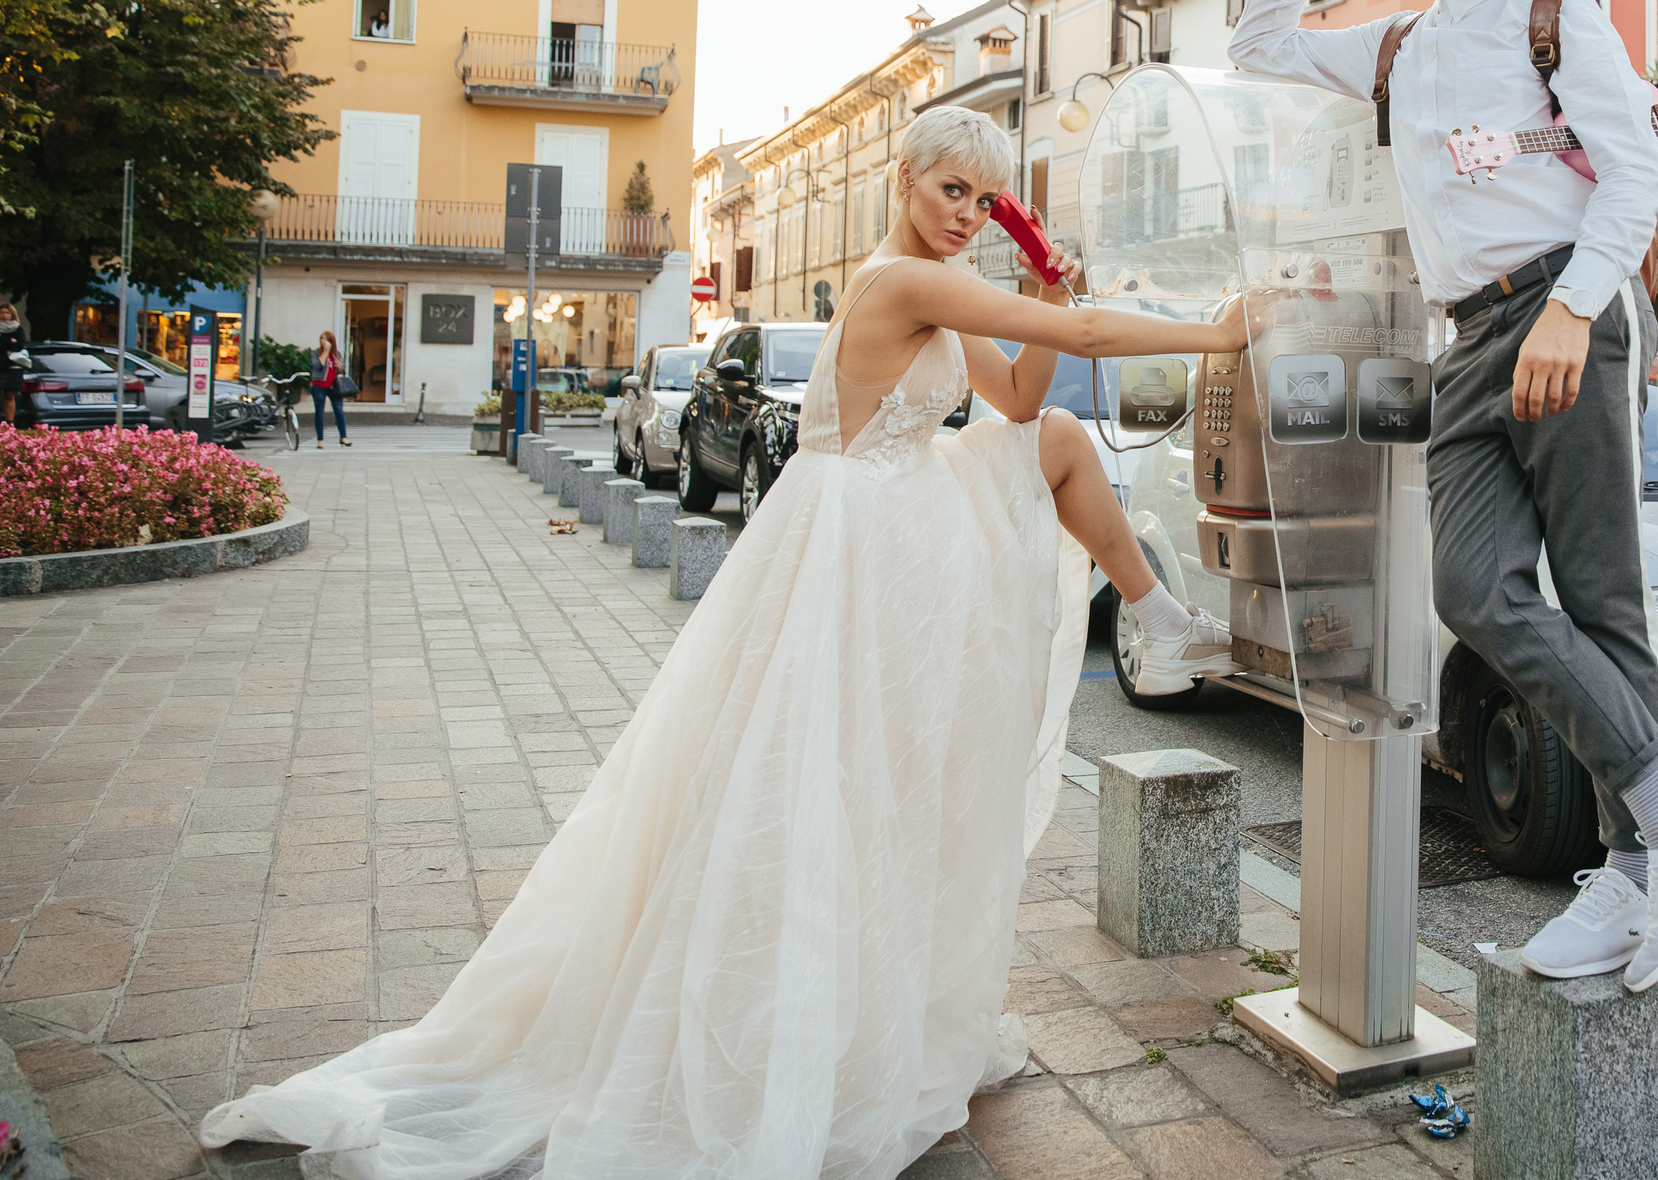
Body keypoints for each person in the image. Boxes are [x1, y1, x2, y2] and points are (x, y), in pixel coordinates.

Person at [199, 107, 1246, 1177]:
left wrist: (1044, 285)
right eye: (951, 193)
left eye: (985, 202)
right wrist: (1219, 332)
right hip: (864, 538)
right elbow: (1083, 349)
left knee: (1028, 496)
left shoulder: (933, 284)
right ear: (903, 181)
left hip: (900, 522)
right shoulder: (898, 283)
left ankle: (1155, 621)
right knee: (828, 785)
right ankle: (1152, 625)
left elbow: (1021, 394)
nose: (967, 218)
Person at [1229, 0, 1658, 994]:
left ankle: (1637, 869)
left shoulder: (1556, 16)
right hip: (1468, 335)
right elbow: (1258, 48)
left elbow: (1635, 176)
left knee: (1600, 598)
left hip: (1563, 310)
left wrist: (1576, 312)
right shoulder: (1396, 43)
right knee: (1470, 587)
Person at [312, 330, 350, 446]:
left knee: (339, 411)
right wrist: (325, 352)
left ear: (331, 341)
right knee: (319, 412)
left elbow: (342, 371)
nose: (323, 341)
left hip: (334, 387)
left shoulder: (337, 354)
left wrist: (340, 367)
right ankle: (320, 439)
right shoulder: (315, 353)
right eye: (322, 339)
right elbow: (317, 366)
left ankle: (343, 437)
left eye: (326, 339)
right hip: (319, 386)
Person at [0, 303, 25, 427]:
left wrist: (5, 342)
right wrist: (9, 341)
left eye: (7, 313)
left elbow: (19, 346)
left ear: (12, 315)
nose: (4, 315)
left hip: (12, 368)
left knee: (9, 395)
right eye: (2, 313)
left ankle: (10, 424)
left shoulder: (18, 329)